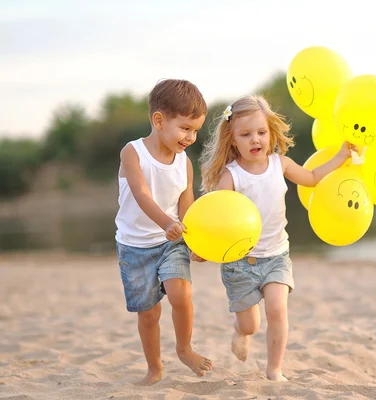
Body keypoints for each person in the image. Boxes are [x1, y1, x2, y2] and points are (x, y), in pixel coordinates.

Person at [199, 94, 352, 381]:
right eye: (245, 134)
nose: (255, 140)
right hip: (240, 261)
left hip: (277, 256)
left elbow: (313, 177)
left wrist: (341, 156)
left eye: (261, 132)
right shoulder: (231, 177)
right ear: (233, 140)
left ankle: (274, 371)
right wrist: (204, 248)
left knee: (277, 309)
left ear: (270, 132)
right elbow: (216, 217)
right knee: (251, 325)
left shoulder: (279, 164)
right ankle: (238, 330)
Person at [115, 79, 213, 385]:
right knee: (148, 315)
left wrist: (195, 241)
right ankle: (154, 367)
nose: (191, 137)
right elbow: (142, 195)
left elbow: (187, 204)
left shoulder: (184, 163)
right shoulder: (133, 153)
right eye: (185, 128)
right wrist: (166, 224)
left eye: (196, 130)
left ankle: (184, 348)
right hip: (134, 246)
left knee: (181, 293)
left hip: (171, 242)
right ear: (158, 120)